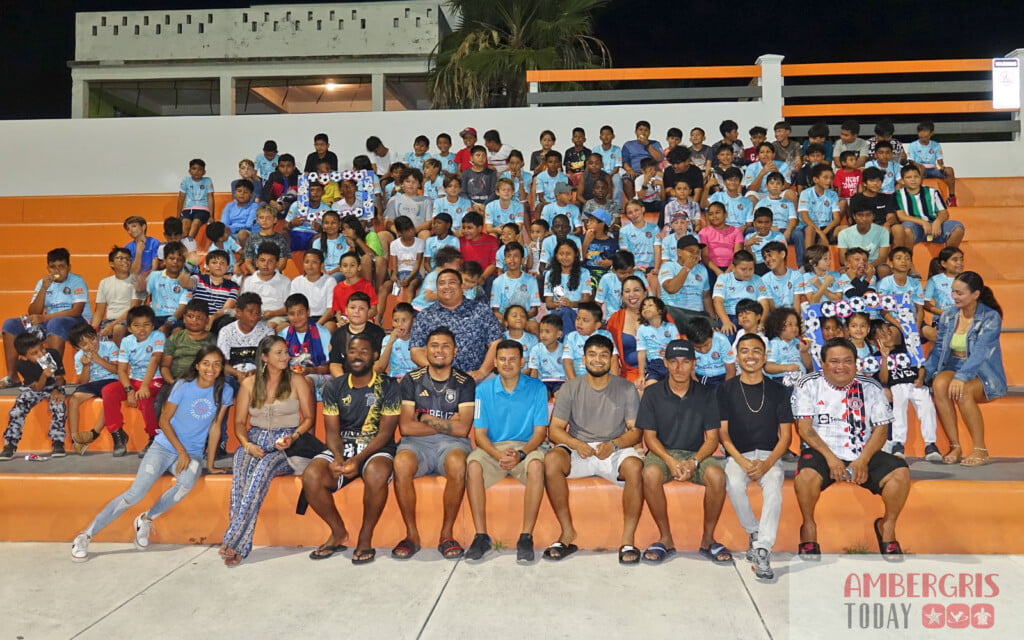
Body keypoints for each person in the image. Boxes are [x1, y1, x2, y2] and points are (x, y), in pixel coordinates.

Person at [71, 347, 233, 561]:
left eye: (216, 364)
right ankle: (85, 535)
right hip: (164, 447)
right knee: (135, 494)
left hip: (191, 453)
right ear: (197, 365)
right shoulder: (183, 386)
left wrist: (210, 464)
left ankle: (146, 519)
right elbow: (164, 421)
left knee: (187, 482)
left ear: (222, 367)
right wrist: (181, 451)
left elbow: (215, 427)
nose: (210, 368)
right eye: (206, 363)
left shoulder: (225, 391)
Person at [792, 338, 910, 559]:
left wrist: (863, 460)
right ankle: (808, 529)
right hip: (822, 451)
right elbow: (805, 429)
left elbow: (881, 431)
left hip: (862, 452)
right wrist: (831, 458)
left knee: (900, 472)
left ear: (856, 363)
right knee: (805, 477)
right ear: (823, 363)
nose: (841, 366)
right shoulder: (807, 384)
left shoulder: (871, 387)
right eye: (834, 361)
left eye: (847, 361)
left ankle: (887, 527)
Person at [301, 335, 400, 564]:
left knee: (376, 472)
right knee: (311, 475)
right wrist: (337, 458)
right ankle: (338, 532)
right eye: (353, 351)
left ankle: (365, 536)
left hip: (376, 447)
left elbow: (385, 433)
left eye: (364, 351)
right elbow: (332, 432)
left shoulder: (388, 386)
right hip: (343, 446)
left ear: (375, 355)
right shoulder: (334, 386)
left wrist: (357, 459)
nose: (358, 356)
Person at [543, 334, 643, 563]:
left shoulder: (626, 388)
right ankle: (567, 532)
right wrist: (577, 444)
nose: (597, 360)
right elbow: (555, 430)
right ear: (583, 358)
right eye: (592, 355)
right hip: (580, 448)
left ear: (611, 360)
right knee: (551, 461)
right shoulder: (570, 387)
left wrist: (615, 444)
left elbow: (635, 431)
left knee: (636, 467)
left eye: (603, 355)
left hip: (613, 448)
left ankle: (627, 540)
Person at [220, 336, 315, 566]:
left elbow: (310, 419)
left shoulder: (297, 380)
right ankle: (241, 544)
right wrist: (246, 444)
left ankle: (233, 541)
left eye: (285, 352)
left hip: (285, 443)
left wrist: (293, 436)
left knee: (261, 472)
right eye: (279, 353)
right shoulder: (249, 384)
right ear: (264, 357)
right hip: (253, 439)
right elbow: (240, 423)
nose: (285, 357)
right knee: (240, 480)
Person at [638, 339, 731, 564]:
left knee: (717, 475)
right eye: (674, 362)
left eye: (685, 362)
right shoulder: (652, 394)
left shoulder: (707, 394)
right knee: (649, 474)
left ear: (694, 364)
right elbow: (649, 438)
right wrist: (670, 461)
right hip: (662, 453)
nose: (679, 368)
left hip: (696, 453)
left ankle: (708, 540)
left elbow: (712, 439)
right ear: (665, 364)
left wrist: (695, 462)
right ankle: (666, 538)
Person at [391, 327, 476, 560]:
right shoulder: (411, 380)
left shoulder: (464, 382)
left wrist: (424, 417)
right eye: (435, 345)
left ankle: (446, 534)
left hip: (452, 444)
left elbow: (462, 429)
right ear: (426, 350)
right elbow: (406, 427)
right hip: (415, 444)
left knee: (459, 463)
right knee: (400, 463)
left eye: (446, 345)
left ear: (455, 351)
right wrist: (445, 422)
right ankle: (411, 535)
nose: (440, 350)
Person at [465, 340, 549, 563]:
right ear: (494, 363)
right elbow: (480, 435)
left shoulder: (537, 388)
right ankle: (481, 536)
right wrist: (497, 455)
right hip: (493, 449)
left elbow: (540, 433)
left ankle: (526, 536)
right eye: (502, 359)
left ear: (522, 361)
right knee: (473, 465)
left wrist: (520, 455)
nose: (507, 364)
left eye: (513, 359)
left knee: (537, 465)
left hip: (526, 447)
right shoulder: (483, 390)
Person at [719, 334, 792, 580]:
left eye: (756, 351)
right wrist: (742, 461)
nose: (750, 356)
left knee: (773, 487)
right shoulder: (726, 389)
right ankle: (753, 532)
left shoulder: (779, 391)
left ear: (765, 356)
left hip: (770, 456)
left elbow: (786, 437)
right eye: (745, 351)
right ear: (737, 356)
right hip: (738, 455)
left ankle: (762, 548)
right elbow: (723, 435)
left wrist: (767, 464)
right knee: (734, 484)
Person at [924, 272, 1005, 467]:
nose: (954, 297)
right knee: (940, 383)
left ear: (975, 294)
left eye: (960, 293)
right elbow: (940, 348)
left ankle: (981, 449)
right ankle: (955, 446)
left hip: (983, 372)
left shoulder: (991, 317)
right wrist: (923, 373)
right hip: (954, 366)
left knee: (963, 391)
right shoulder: (949, 315)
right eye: (953, 292)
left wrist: (961, 377)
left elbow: (980, 352)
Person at [1, 248, 91, 388]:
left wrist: (45, 317)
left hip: (76, 322)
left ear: (69, 267)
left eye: (61, 267)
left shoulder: (77, 281)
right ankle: (13, 377)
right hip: (49, 320)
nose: (56, 271)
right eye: (52, 267)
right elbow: (33, 311)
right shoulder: (43, 282)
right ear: (48, 267)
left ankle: (54, 376)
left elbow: (76, 310)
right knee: (10, 324)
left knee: (55, 323)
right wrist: (43, 289)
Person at [408, 269, 502, 381]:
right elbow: (416, 351)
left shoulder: (481, 310)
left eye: (452, 282)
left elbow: (496, 342)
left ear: (461, 286)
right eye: (442, 283)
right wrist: (440, 373)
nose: (447, 286)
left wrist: (482, 372)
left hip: (477, 378)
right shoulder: (425, 316)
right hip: (437, 380)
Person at [102, 305, 165, 458]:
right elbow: (122, 370)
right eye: (136, 325)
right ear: (129, 328)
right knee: (108, 391)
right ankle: (118, 434)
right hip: (134, 380)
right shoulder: (126, 341)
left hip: (155, 379)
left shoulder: (158, 337)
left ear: (153, 325)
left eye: (146, 325)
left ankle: (154, 438)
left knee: (143, 397)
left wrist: (143, 386)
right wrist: (129, 390)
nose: (141, 329)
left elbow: (155, 360)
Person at [0, 332, 67, 460]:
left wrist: (55, 390)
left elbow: (59, 378)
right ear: (24, 357)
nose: (41, 354)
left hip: (54, 386)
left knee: (58, 405)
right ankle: (10, 444)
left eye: (41, 348)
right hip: (35, 387)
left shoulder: (52, 354)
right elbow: (36, 388)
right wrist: (44, 376)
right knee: (18, 408)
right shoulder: (21, 365)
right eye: (34, 353)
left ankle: (58, 441)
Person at [66, 323, 119, 453]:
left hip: (111, 380)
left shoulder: (110, 346)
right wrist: (86, 366)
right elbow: (83, 382)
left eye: (92, 339)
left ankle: (94, 432)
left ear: (97, 335)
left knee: (108, 397)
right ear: (76, 347)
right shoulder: (79, 356)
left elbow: (117, 370)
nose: (91, 345)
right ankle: (75, 439)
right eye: (84, 344)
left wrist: (99, 360)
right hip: (92, 384)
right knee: (73, 399)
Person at [93, 246, 141, 345]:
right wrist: (93, 329)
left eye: (128, 258)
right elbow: (99, 311)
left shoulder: (138, 281)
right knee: (88, 336)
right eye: (120, 258)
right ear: (111, 263)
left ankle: (119, 358)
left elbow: (134, 308)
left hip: (129, 320)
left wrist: (112, 326)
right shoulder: (104, 283)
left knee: (118, 328)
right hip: (109, 321)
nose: (125, 261)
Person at [240, 242, 291, 333]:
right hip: (253, 316)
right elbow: (242, 304)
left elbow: (289, 307)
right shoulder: (249, 281)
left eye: (270, 261)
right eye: (262, 260)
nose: (266, 264)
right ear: (256, 262)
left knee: (268, 327)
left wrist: (273, 313)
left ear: (277, 263)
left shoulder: (285, 282)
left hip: (277, 317)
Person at [605, 275, 647, 383]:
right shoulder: (615, 319)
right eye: (627, 291)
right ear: (622, 296)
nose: (632, 295)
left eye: (636, 290)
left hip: (659, 371)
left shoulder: (660, 315)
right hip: (628, 374)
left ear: (645, 293)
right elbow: (609, 352)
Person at [905, 120, 956, 206]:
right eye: (920, 131)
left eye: (925, 131)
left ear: (931, 133)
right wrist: (918, 165)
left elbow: (940, 161)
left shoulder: (936, 145)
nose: (922, 133)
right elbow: (911, 161)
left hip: (932, 169)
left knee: (950, 170)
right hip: (919, 169)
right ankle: (918, 196)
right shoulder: (912, 145)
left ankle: (952, 197)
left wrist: (941, 166)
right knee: (920, 168)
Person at [177, 158, 214, 240]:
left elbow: (210, 197)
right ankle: (183, 244)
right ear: (189, 171)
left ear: (204, 172)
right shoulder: (185, 180)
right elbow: (181, 198)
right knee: (185, 223)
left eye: (200, 169)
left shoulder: (207, 181)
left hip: (203, 209)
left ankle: (189, 241)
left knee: (196, 223)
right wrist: (178, 214)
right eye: (194, 169)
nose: (197, 171)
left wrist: (211, 215)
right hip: (188, 209)